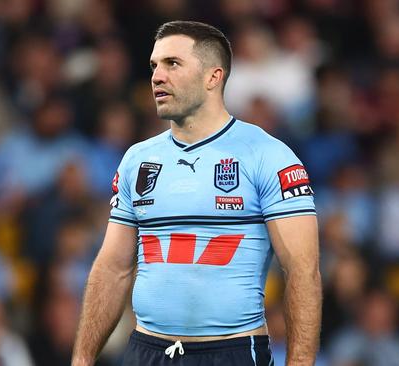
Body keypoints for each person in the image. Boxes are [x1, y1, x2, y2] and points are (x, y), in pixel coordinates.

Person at [71, 20, 321, 366]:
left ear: (213, 77)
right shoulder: (137, 160)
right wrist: (81, 360)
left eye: (173, 64)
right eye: (154, 66)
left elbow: (302, 272)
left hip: (231, 354)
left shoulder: (268, 156)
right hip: (146, 352)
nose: (157, 76)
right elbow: (113, 267)